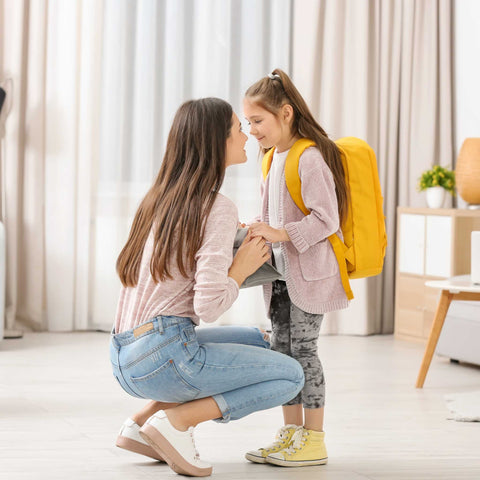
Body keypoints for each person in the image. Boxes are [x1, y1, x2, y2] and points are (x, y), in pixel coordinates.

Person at [110, 97, 305, 477]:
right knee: (290, 374)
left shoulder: (159, 199)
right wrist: (239, 267)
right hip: (166, 356)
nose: (247, 135)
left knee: (260, 340)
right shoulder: (216, 206)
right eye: (237, 129)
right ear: (217, 142)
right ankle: (177, 422)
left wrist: (232, 246)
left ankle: (140, 425)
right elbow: (210, 306)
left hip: (125, 356)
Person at [242, 69, 350, 467]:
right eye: (248, 123)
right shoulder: (271, 158)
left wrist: (279, 232)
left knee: (304, 351)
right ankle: (291, 434)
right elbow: (276, 215)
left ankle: (314, 439)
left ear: (285, 113)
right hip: (281, 277)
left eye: (258, 121)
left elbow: (327, 220)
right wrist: (258, 227)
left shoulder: (309, 156)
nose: (251, 130)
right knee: (280, 351)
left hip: (310, 275)